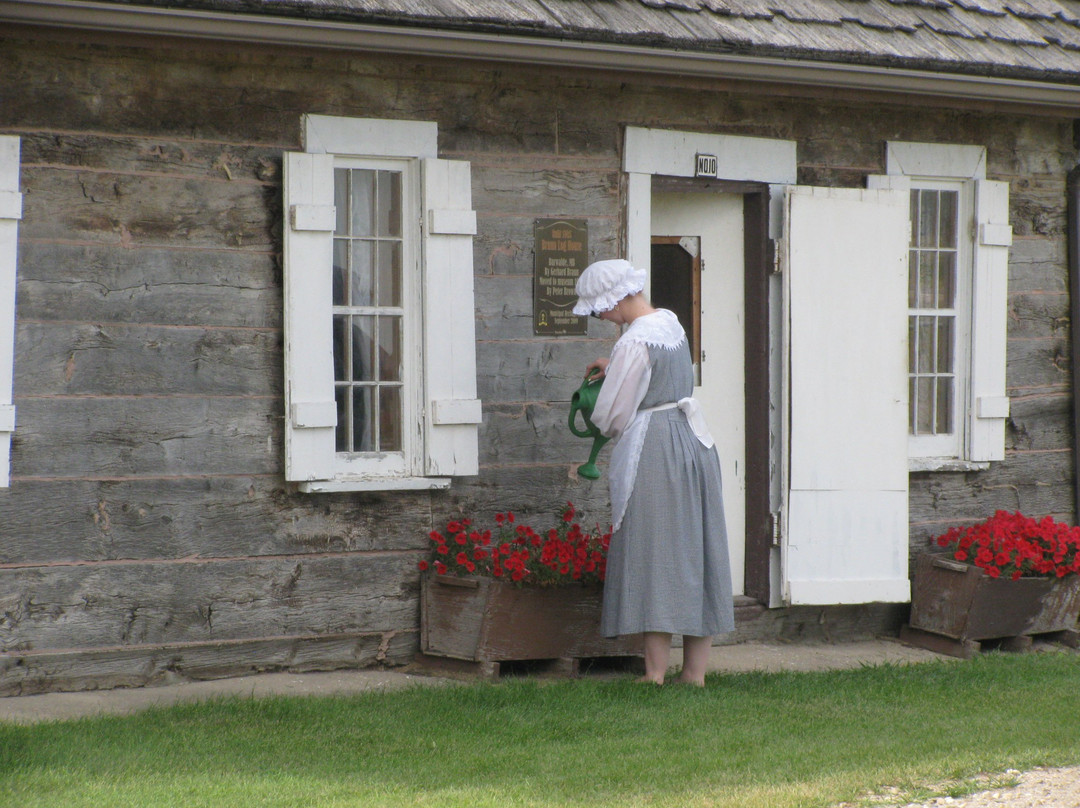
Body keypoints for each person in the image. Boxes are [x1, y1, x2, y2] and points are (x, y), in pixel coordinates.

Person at [573, 258, 734, 686]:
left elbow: (610, 416)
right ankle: (695, 674)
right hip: (694, 441)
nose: (599, 316)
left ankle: (655, 673)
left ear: (618, 297)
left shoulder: (632, 342)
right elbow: (659, 375)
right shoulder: (670, 323)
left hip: (656, 447)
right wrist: (618, 370)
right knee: (697, 549)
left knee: (654, 550)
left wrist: (606, 386)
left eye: (599, 308)